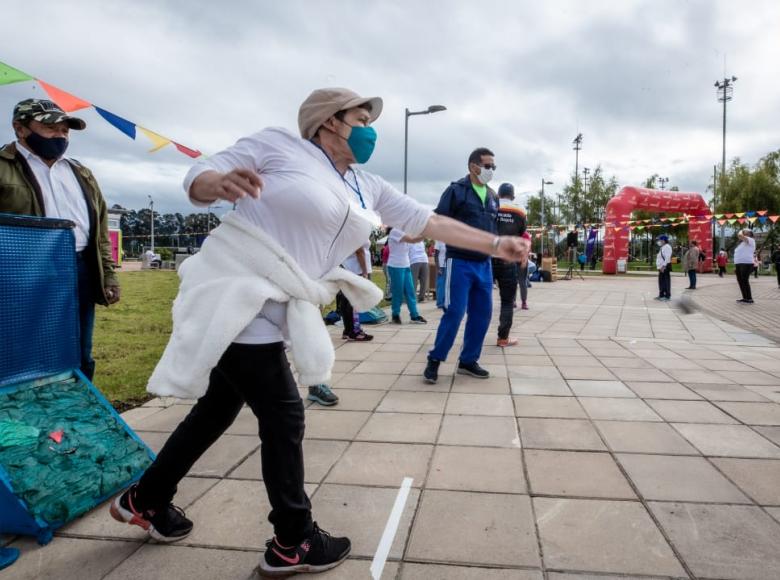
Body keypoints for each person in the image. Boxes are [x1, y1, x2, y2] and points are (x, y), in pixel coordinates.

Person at [108, 88, 531, 577]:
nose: (371, 127)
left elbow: (428, 220)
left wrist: (496, 242)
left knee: (218, 408)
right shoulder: (280, 147)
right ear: (330, 122)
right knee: (284, 415)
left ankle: (147, 498)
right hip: (236, 290)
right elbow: (199, 175)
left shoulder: (364, 185)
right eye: (361, 117)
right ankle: (294, 540)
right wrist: (217, 183)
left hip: (280, 304)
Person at [0, 98, 120, 380]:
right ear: (20, 128)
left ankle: (78, 411)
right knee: (22, 349)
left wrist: (109, 275)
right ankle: (24, 416)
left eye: (65, 129)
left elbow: (99, 231)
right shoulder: (3, 166)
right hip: (21, 273)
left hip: (78, 268)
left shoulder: (81, 173)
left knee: (79, 349)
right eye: (50, 127)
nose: (60, 134)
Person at [424, 148, 499, 384]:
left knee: (482, 314)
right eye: (488, 166)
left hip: (484, 264)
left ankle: (468, 361)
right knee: (455, 312)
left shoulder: (492, 196)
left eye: (494, 167)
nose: (491, 171)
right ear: (473, 166)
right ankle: (435, 360)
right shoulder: (456, 191)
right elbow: (438, 221)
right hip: (459, 262)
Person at [493, 182, 526, 346]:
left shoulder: (491, 206)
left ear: (498, 195)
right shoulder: (520, 210)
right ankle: (503, 338)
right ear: (513, 196)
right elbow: (521, 233)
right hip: (508, 260)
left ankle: (473, 336)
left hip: (488, 257)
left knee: (479, 298)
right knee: (507, 301)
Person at [386, 228, 427, 324]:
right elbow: (413, 240)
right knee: (398, 292)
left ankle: (414, 315)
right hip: (395, 265)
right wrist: (427, 232)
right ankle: (395, 315)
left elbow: (415, 238)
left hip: (406, 265)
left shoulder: (405, 231)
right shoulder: (395, 231)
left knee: (410, 291)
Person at [734, 229, 755, 304]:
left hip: (746, 263)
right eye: (744, 232)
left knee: (744, 280)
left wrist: (741, 230)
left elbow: (739, 235)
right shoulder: (742, 243)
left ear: (750, 234)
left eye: (746, 232)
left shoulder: (751, 240)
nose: (744, 233)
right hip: (739, 264)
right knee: (740, 281)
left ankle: (749, 299)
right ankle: (745, 298)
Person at [655, 234, 672, 301]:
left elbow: (667, 258)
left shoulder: (667, 247)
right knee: (661, 281)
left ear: (663, 240)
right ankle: (661, 294)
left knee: (666, 281)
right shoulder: (663, 247)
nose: (659, 241)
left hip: (664, 267)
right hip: (661, 267)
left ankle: (667, 296)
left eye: (660, 240)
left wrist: (663, 266)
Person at [434, 239, 447, 309]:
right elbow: (435, 255)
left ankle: (446, 302)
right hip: (441, 266)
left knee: (447, 286)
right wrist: (438, 268)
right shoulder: (439, 240)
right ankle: (440, 303)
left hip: (449, 265)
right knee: (441, 285)